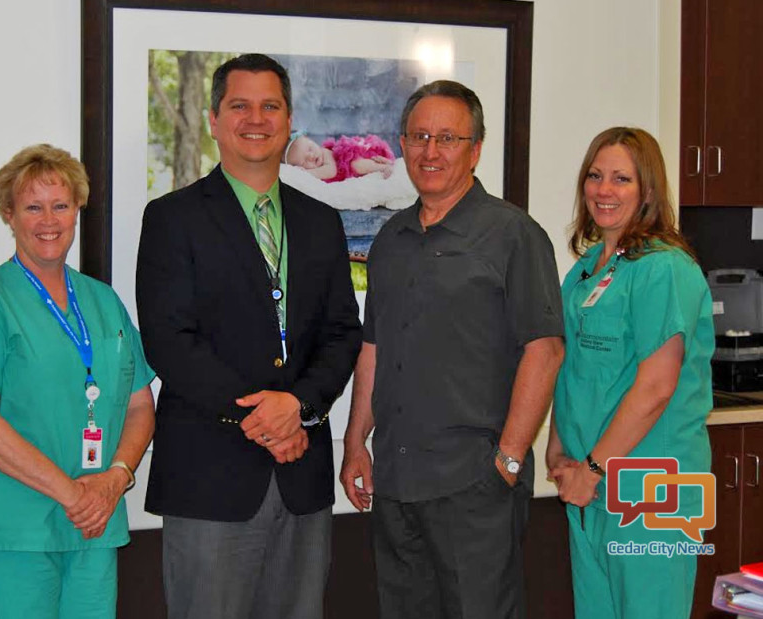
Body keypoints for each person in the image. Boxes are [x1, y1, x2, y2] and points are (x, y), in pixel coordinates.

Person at [136, 53, 362, 619]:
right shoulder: (172, 219)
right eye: (239, 105)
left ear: (289, 121)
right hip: (210, 477)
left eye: (270, 106)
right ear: (214, 118)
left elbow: (341, 332)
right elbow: (170, 341)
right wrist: (263, 420)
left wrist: (300, 406)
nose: (255, 118)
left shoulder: (321, 221)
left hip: (302, 476)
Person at [340, 80, 565, 619]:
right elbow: (374, 345)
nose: (431, 151)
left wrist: (507, 462)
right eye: (419, 136)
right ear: (401, 145)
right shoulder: (390, 238)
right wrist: (354, 443)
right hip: (395, 482)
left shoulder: (514, 235)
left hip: (474, 485)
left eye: (448, 137)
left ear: (476, 149)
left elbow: (546, 349)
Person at [0, 144, 156, 619]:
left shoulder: (104, 302)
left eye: (61, 205)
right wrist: (74, 494)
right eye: (32, 207)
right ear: (8, 215)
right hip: (14, 534)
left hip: (93, 528)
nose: (48, 220)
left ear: (77, 210)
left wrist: (115, 479)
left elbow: (139, 406)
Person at [546, 127, 714, 619]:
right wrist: (559, 447)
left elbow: (657, 386)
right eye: (595, 176)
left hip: (654, 488)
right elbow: (572, 366)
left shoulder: (665, 268)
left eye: (622, 178)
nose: (604, 190)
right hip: (590, 485)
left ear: (648, 190)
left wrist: (594, 468)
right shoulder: (584, 273)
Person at [283, 131, 395, 182]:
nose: (311, 156)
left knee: (356, 165)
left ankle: (383, 167)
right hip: (362, 164)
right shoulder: (316, 175)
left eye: (310, 149)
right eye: (305, 161)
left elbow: (331, 171)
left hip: (357, 155)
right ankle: (382, 162)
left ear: (313, 141)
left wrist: (306, 173)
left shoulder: (325, 153)